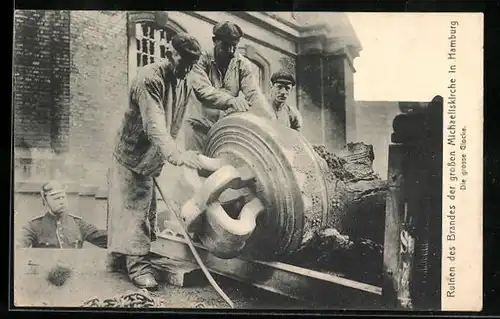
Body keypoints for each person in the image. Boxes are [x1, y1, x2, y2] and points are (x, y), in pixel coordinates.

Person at [107, 32, 203, 291]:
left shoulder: (184, 78)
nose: (188, 70)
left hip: (151, 157)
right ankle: (138, 267)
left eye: (192, 65)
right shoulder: (149, 79)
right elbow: (155, 126)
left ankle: (117, 259)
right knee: (135, 209)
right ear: (171, 53)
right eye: (184, 63)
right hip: (132, 155)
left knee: (142, 209)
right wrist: (177, 155)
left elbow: (203, 95)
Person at [185, 21, 274, 152]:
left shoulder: (242, 64)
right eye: (226, 46)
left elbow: (254, 94)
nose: (231, 51)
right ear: (215, 41)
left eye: (234, 46)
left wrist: (270, 121)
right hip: (199, 127)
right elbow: (202, 90)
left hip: (224, 130)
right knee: (197, 167)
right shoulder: (200, 60)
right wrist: (231, 100)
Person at [17, 180, 107, 249]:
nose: (62, 202)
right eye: (56, 198)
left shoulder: (79, 224)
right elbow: (18, 246)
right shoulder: (33, 226)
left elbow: (106, 240)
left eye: (63, 197)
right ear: (45, 201)